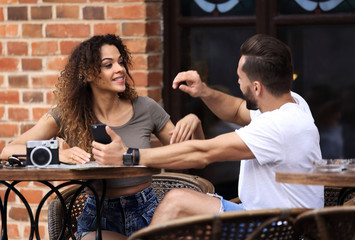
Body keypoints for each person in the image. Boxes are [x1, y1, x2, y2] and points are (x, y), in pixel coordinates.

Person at [91, 34, 324, 225]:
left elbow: (203, 153)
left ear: (256, 87)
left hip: (280, 229)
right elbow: (235, 110)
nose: (238, 84)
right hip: (266, 215)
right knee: (184, 221)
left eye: (240, 79)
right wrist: (203, 91)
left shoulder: (277, 127)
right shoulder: (292, 102)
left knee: (177, 202)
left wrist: (128, 155)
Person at [0, 34, 204, 239]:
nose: (120, 69)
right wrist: (59, 154)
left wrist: (195, 122)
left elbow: (190, 157)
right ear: (88, 74)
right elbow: (7, 151)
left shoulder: (146, 107)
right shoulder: (66, 115)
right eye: (108, 65)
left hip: (150, 213)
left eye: (121, 62)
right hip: (99, 216)